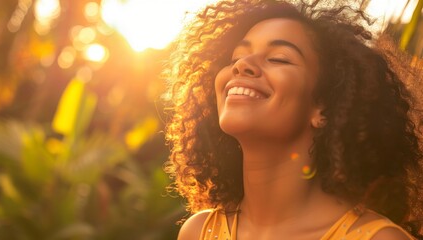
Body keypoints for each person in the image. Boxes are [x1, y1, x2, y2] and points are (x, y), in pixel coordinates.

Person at [164, 0, 423, 239]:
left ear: (324, 108)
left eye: (278, 58)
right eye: (235, 58)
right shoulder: (199, 232)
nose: (242, 65)